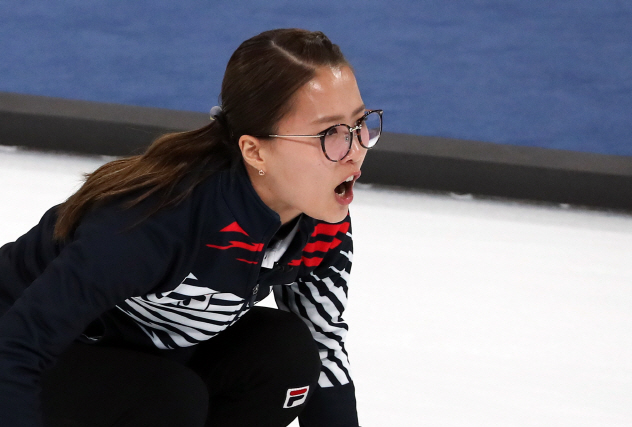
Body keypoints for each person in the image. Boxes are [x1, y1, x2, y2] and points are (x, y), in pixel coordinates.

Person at [0, 28, 382, 427]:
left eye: (360, 124)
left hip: (142, 355)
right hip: (22, 349)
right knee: (168, 398)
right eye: (330, 134)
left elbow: (324, 348)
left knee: (284, 356)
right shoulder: (160, 219)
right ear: (254, 150)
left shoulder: (321, 214)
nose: (355, 151)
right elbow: (16, 347)